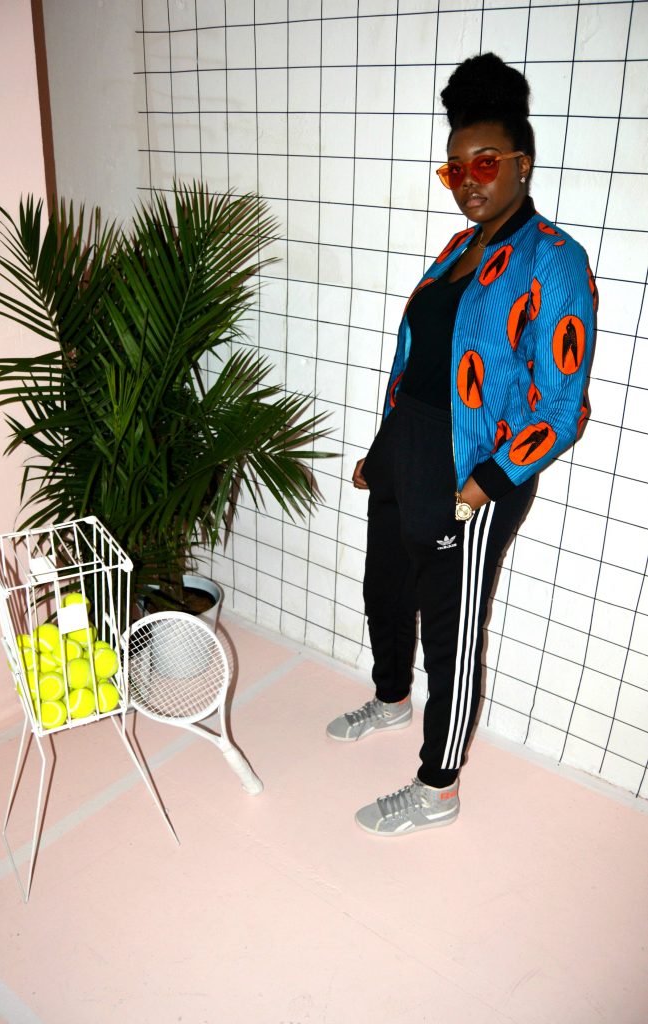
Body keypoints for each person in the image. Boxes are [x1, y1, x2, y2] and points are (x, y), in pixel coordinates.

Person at [326, 53, 597, 837]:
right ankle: (389, 697)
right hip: (405, 452)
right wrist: (381, 449)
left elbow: (562, 405)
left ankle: (437, 786)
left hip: (471, 473)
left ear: (521, 162)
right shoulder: (455, 250)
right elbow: (418, 361)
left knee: (450, 629)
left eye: (483, 162)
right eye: (454, 168)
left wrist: (482, 485)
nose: (467, 180)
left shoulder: (553, 258)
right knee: (384, 591)